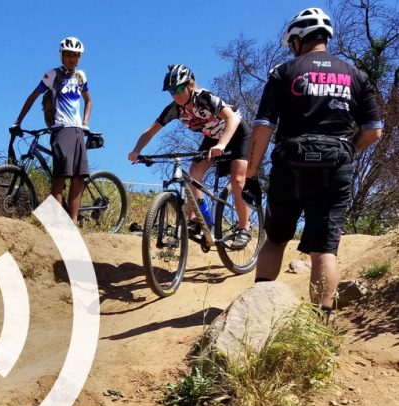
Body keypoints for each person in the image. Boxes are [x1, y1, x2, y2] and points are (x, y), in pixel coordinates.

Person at [247, 7, 383, 316]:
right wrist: (349, 150)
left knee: (276, 239)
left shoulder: (283, 72)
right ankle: (320, 323)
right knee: (324, 249)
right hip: (335, 166)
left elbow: (263, 127)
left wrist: (252, 173)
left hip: (289, 164)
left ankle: (257, 314)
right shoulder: (357, 75)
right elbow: (374, 132)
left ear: (298, 39)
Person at [128, 64, 253, 250]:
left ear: (191, 85)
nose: (175, 94)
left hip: (237, 134)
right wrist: (136, 150)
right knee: (194, 174)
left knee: (237, 180)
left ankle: (244, 228)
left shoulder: (205, 98)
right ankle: (196, 220)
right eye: (171, 91)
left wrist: (222, 144)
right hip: (213, 138)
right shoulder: (174, 110)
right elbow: (150, 131)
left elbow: (232, 119)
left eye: (179, 89)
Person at [11, 36, 93, 222]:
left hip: (77, 130)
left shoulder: (81, 76)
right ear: (61, 55)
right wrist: (18, 121)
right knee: (60, 177)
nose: (72, 59)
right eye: (68, 54)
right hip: (61, 129)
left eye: (76, 55)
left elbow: (89, 101)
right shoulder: (52, 75)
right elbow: (32, 97)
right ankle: (57, 221)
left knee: (79, 176)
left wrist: (85, 123)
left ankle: (72, 221)